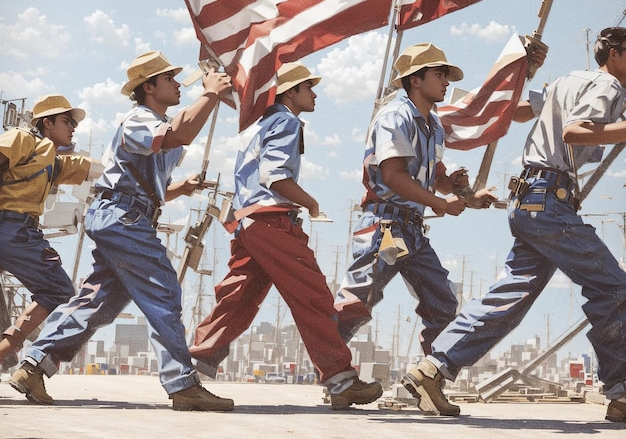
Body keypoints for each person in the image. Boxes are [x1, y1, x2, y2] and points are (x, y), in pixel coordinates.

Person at [401, 27, 626, 424]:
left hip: (531, 201)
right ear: (617, 55)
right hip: (550, 203)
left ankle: (434, 368)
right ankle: (621, 391)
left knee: (512, 295)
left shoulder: (569, 82)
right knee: (612, 286)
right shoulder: (609, 84)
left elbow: (517, 110)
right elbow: (576, 132)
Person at [9, 51, 235, 412]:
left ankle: (34, 365)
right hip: (123, 217)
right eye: (169, 79)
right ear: (149, 87)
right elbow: (178, 134)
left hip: (124, 215)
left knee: (100, 302)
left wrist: (181, 188)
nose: (178, 85)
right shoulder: (138, 120)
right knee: (163, 289)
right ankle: (182, 384)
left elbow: (144, 179)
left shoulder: (153, 122)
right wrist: (208, 93)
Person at [189, 61, 383, 410]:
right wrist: (310, 203)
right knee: (313, 297)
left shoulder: (260, 124)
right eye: (308, 87)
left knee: (238, 298)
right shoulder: (288, 122)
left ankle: (192, 367)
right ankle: (341, 380)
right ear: (290, 92)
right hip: (273, 222)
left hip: (248, 223)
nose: (315, 94)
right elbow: (275, 176)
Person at [333, 43, 496, 354]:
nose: (447, 82)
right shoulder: (395, 116)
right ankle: (332, 371)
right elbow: (394, 176)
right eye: (439, 74)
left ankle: (430, 375)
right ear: (415, 80)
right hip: (386, 226)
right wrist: (440, 204)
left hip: (410, 230)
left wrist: (464, 192)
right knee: (358, 301)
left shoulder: (433, 125)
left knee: (442, 301)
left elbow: (438, 179)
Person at [0, 95, 101, 369]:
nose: (73, 128)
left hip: (14, 230)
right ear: (47, 123)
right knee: (57, 287)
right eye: (67, 121)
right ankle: (6, 350)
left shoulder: (49, 160)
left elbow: (92, 168)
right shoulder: (21, 138)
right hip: (13, 230)